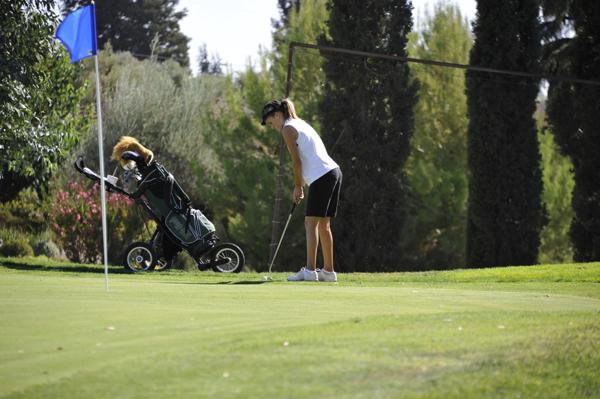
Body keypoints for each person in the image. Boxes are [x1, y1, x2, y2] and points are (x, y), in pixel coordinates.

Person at [261, 98, 342, 282]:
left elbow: (297, 163)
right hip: (334, 173)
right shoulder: (300, 123)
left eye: (272, 123)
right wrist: (302, 184)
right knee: (323, 224)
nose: (273, 127)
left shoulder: (288, 129)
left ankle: (309, 271)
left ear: (278, 115)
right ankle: (329, 272)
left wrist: (298, 186)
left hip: (322, 176)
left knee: (310, 223)